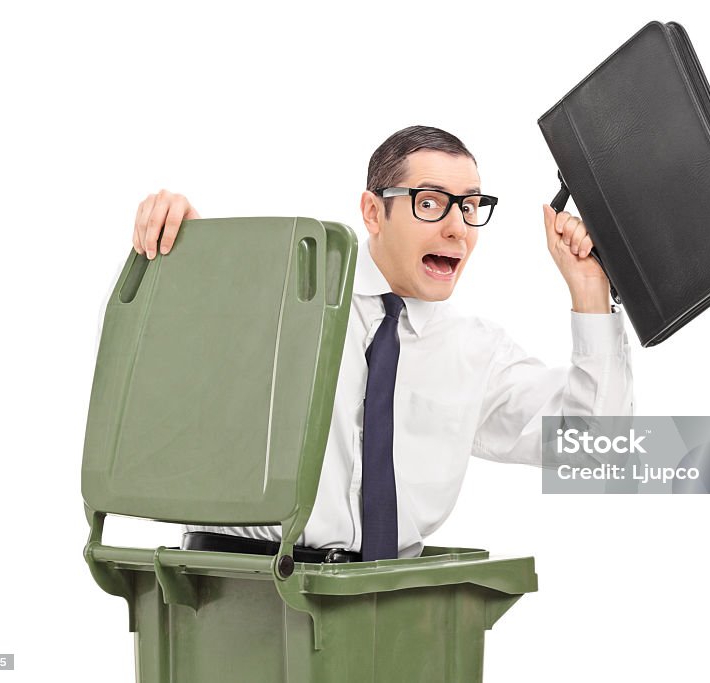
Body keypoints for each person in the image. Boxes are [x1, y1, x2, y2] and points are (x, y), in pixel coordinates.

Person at [122, 125, 633, 561]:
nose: (458, 228)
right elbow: (160, 362)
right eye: (430, 203)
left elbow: (598, 450)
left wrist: (590, 293)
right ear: (372, 212)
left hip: (388, 603)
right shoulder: (282, 295)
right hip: (238, 589)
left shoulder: (475, 350)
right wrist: (181, 250)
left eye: (472, 207)